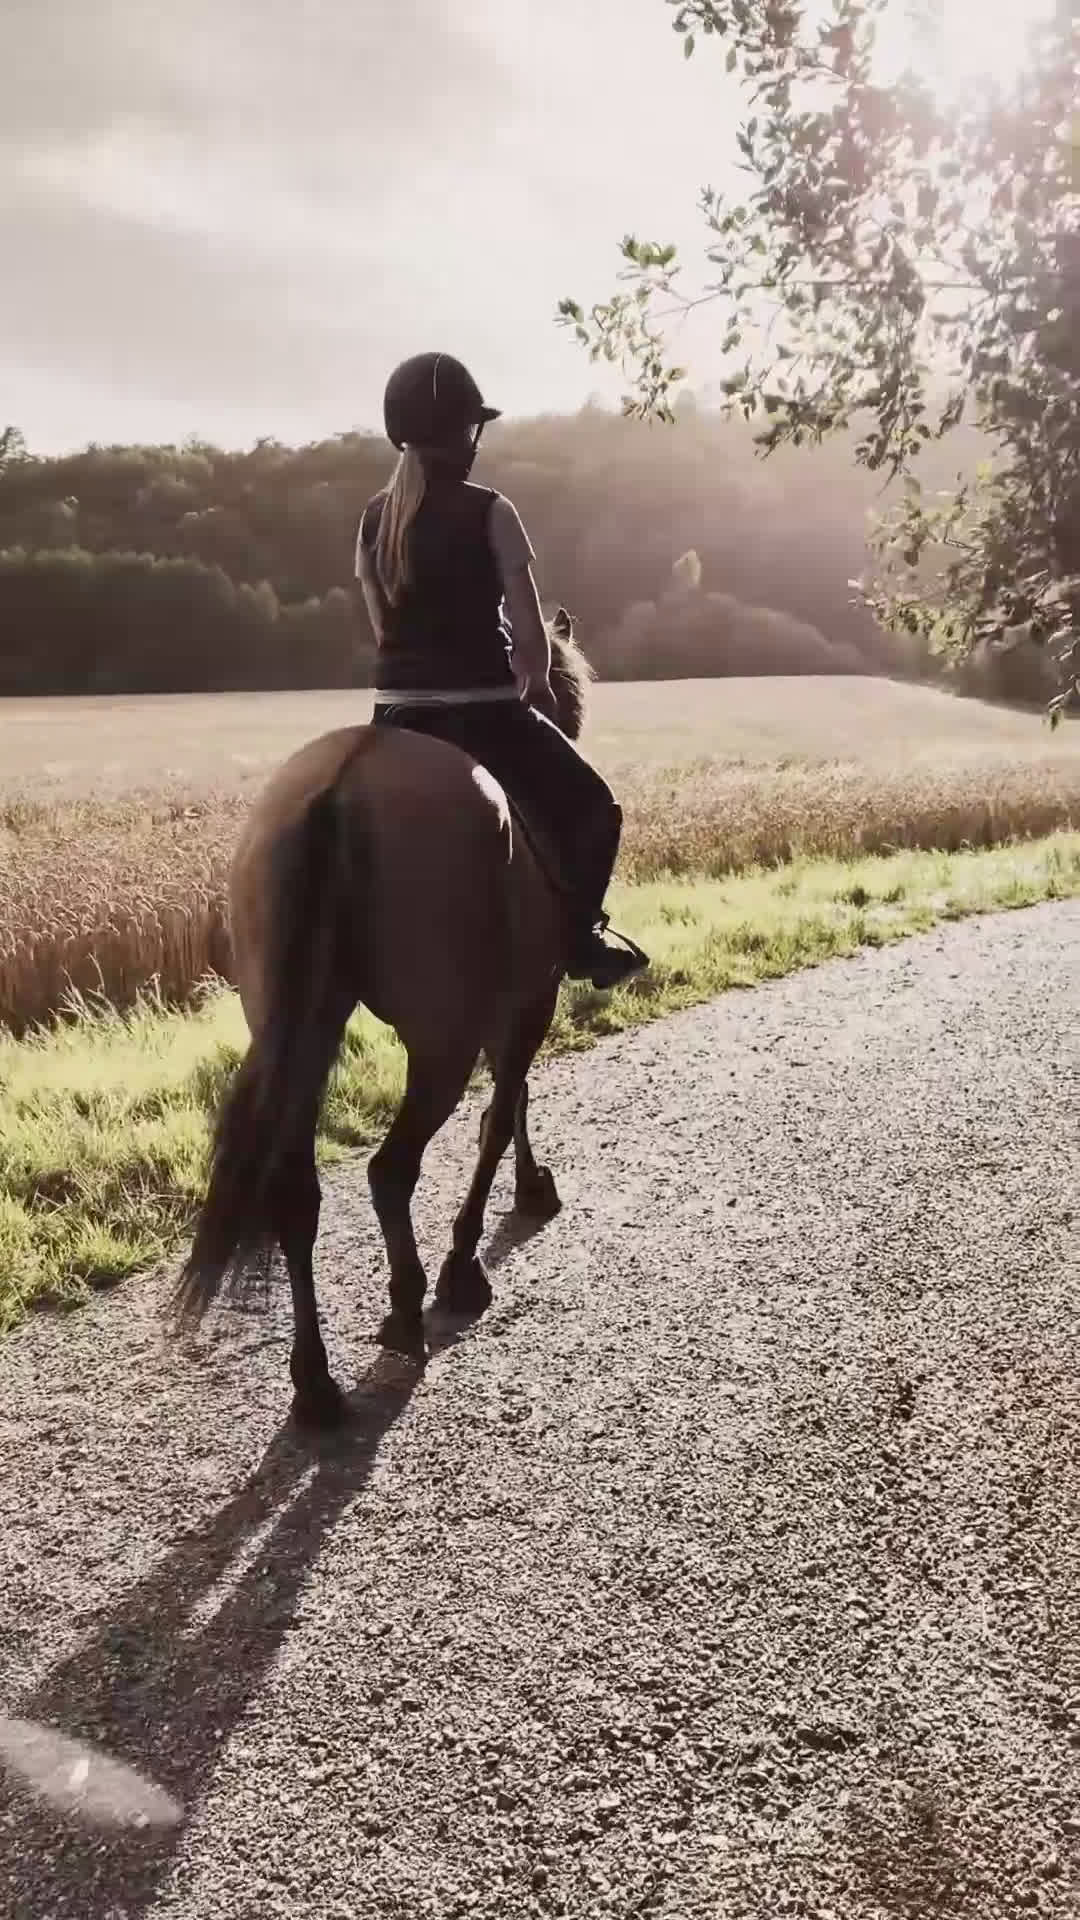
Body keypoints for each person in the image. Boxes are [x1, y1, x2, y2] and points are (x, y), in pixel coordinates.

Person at [353, 350, 649, 991]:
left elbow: (383, 629)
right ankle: (582, 941)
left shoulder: (375, 519)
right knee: (596, 810)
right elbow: (533, 645)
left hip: (393, 720)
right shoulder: (491, 510)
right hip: (481, 715)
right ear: (464, 433)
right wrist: (533, 683)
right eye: (470, 428)